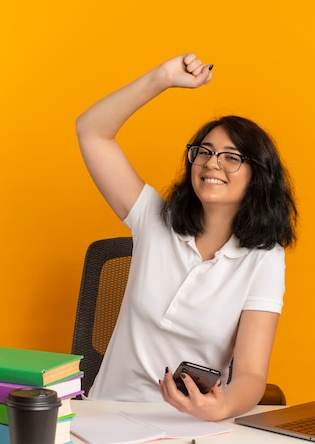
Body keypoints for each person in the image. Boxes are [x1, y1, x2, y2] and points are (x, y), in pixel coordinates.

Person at [75, 53, 297, 421]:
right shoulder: (152, 218)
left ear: (258, 175)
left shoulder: (264, 257)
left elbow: (251, 375)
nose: (212, 164)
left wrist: (222, 406)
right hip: (104, 415)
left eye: (231, 157)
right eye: (204, 152)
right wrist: (162, 77)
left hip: (186, 424)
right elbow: (91, 131)